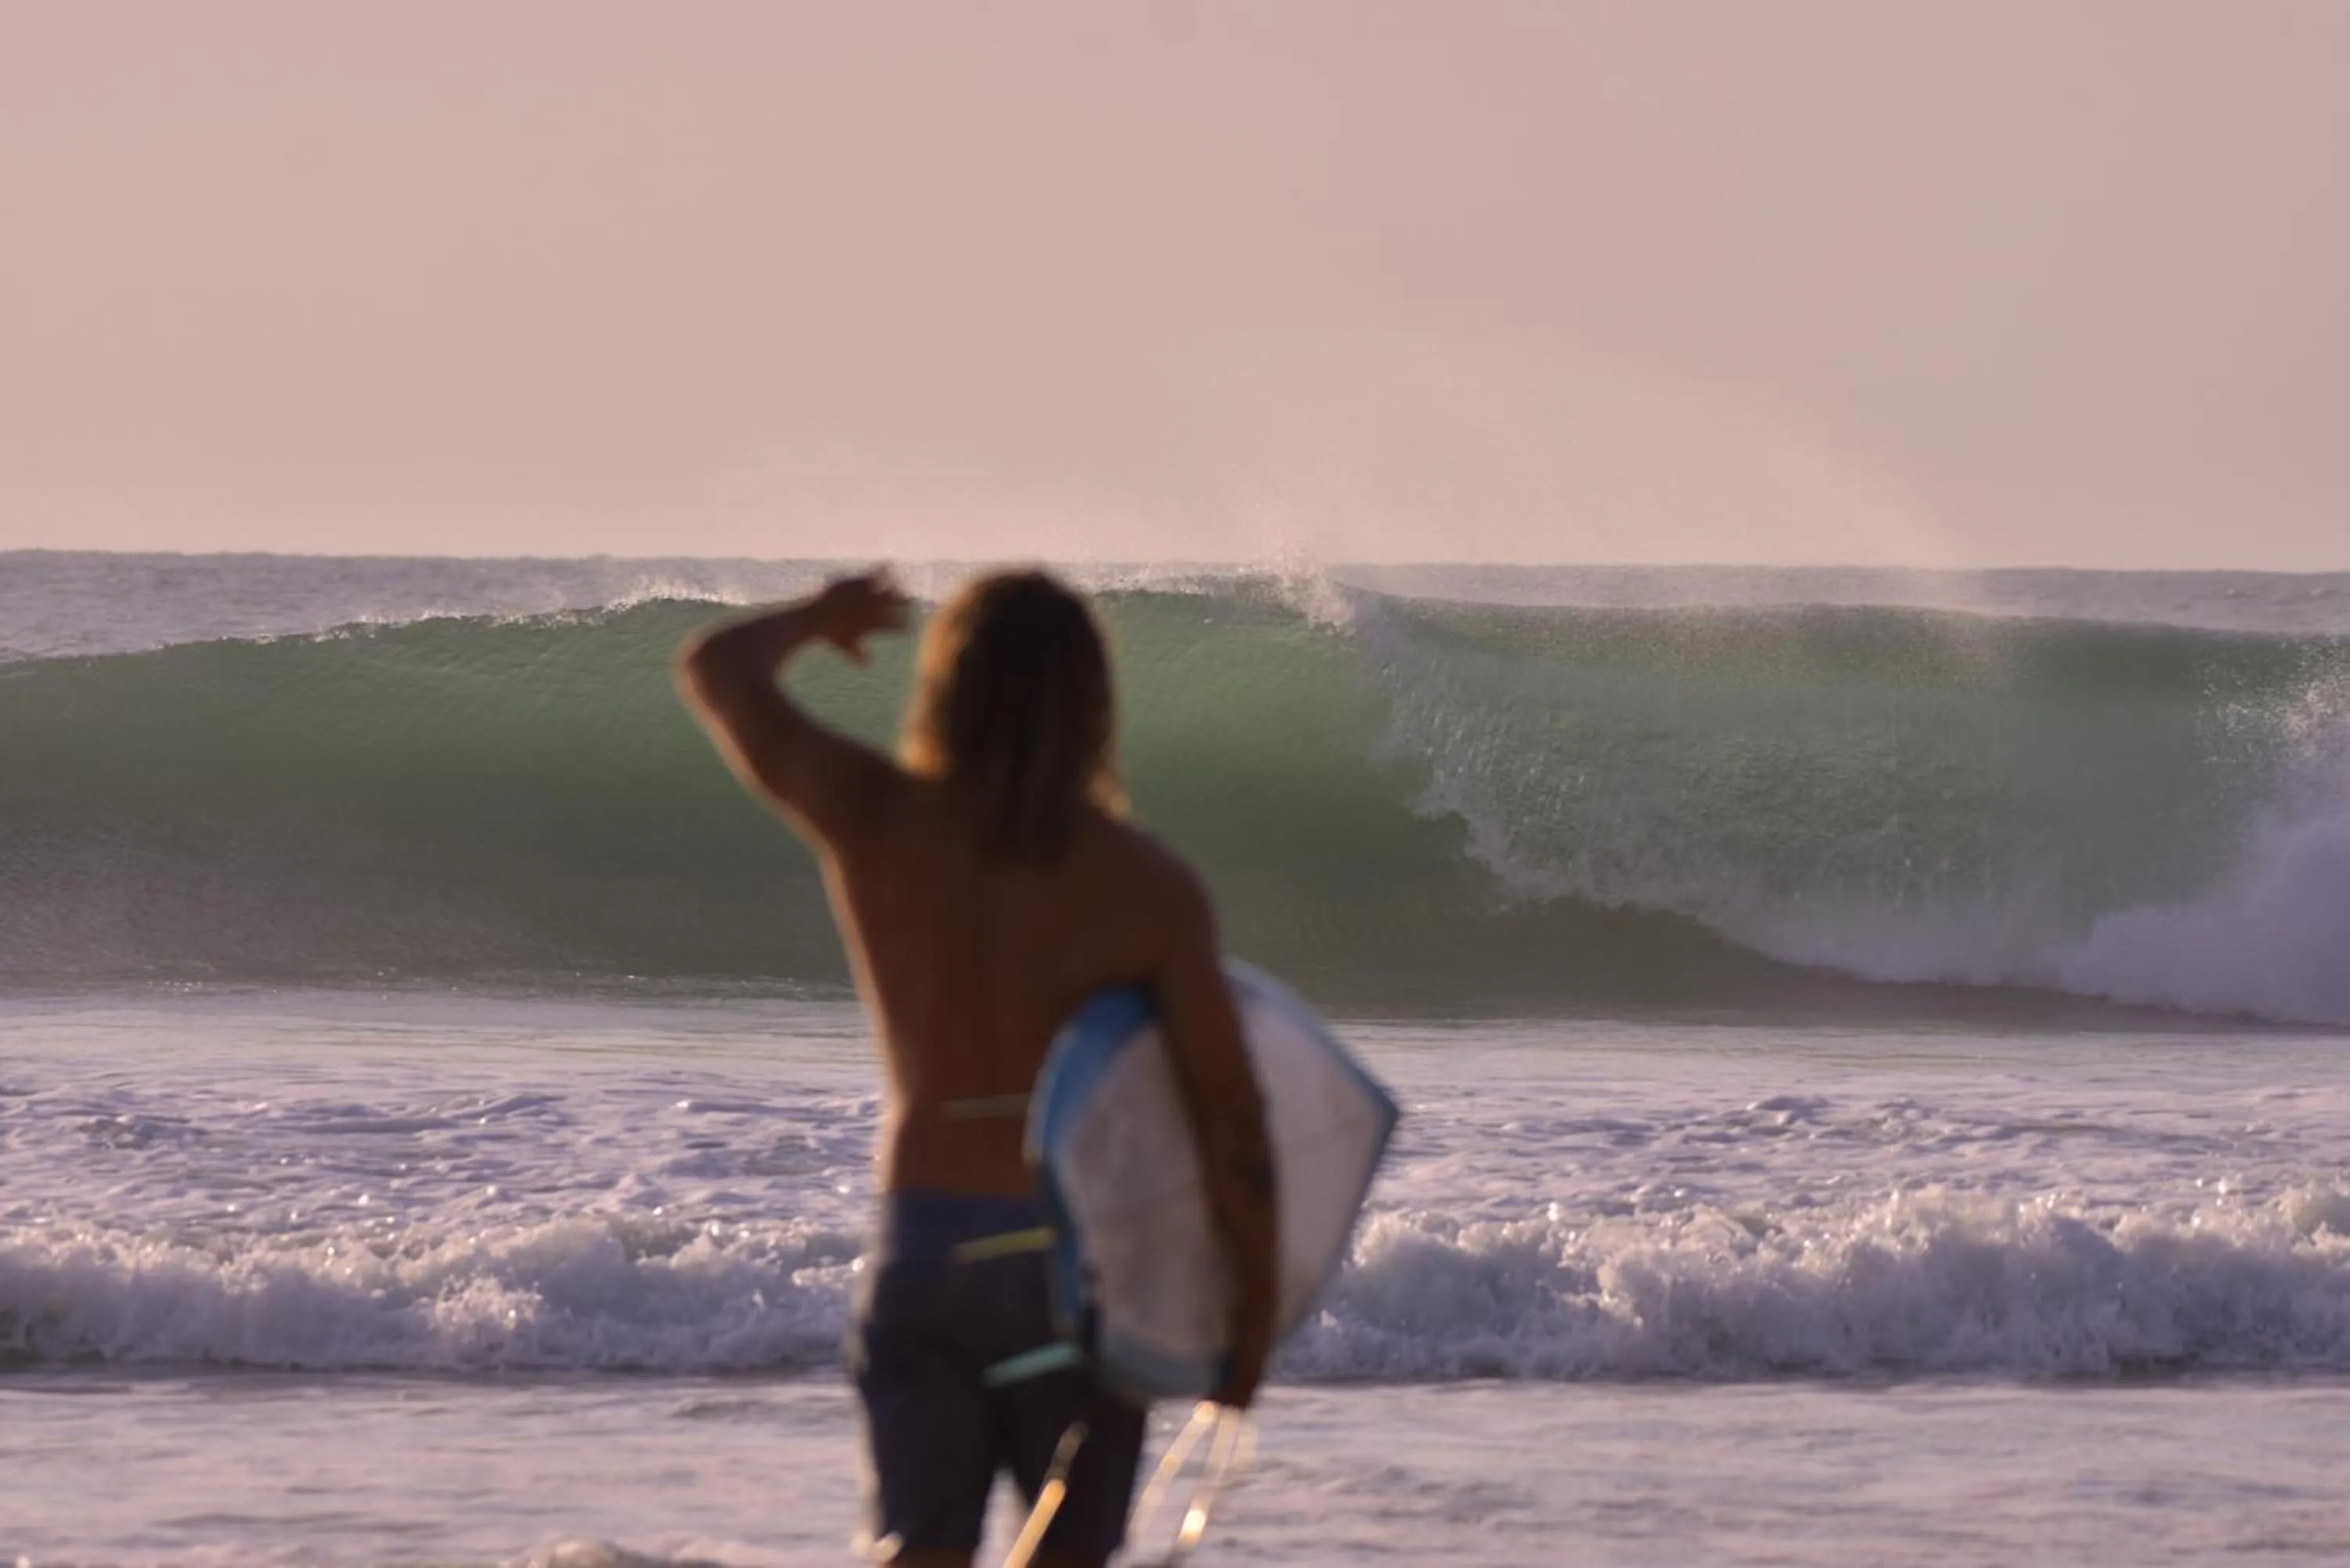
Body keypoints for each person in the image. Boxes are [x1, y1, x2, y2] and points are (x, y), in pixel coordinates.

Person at [675, 568, 1278, 1568]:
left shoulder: (877, 819)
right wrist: (1248, 1315)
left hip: (928, 1242)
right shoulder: (1145, 885)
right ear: (1092, 705)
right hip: (1072, 1264)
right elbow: (1233, 1119)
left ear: (946, 688)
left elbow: (716, 668)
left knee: (917, 1552)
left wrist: (821, 621)